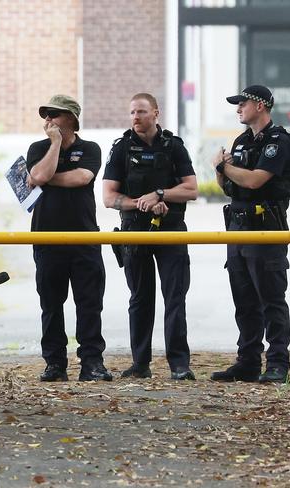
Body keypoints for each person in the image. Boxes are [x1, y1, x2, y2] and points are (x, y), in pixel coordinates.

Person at [103, 93, 198, 381]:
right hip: (135, 230)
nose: (135, 117)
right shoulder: (121, 149)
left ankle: (179, 365)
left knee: (175, 298)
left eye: (142, 112)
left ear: (156, 113)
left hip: (170, 230)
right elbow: (108, 197)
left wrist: (160, 195)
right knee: (140, 299)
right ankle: (140, 363)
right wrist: (141, 203)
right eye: (132, 112)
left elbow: (191, 189)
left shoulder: (173, 147)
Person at [210, 85, 290, 384]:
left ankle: (277, 363)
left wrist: (224, 165)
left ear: (260, 106)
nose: (238, 109)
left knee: (271, 299)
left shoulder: (278, 142)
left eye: (242, 104)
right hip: (238, 228)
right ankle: (247, 362)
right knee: (244, 300)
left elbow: (254, 181)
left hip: (266, 228)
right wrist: (221, 172)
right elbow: (230, 186)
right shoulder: (241, 141)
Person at [26, 94, 112, 382]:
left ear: (73, 120)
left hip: (84, 237)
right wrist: (54, 145)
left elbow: (81, 179)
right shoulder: (38, 147)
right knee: (51, 304)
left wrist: (46, 177)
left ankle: (92, 362)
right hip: (47, 238)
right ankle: (54, 363)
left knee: (89, 303)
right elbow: (38, 174)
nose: (48, 120)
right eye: (46, 115)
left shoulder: (91, 148)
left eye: (55, 115)